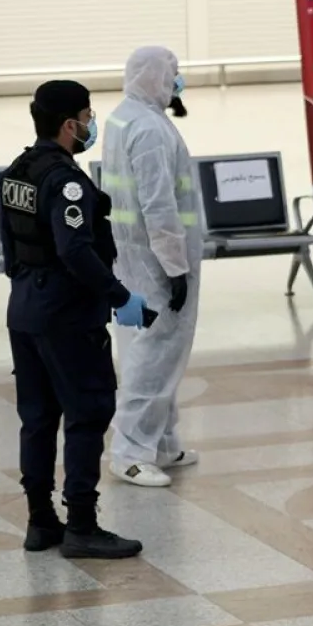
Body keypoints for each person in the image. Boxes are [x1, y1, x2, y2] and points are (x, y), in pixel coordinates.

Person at [0, 80, 147, 559]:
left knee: (37, 419)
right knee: (87, 414)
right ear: (69, 124)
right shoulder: (65, 180)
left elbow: (12, 247)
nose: (90, 124)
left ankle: (41, 522)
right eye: (87, 115)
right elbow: (75, 248)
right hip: (64, 316)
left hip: (24, 309)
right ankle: (82, 524)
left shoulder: (17, 172)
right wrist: (119, 295)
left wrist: (27, 290)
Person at [103, 47, 203, 488]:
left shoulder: (123, 116)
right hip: (155, 263)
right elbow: (158, 205)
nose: (177, 81)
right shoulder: (148, 129)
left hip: (129, 258)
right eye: (174, 73)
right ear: (156, 76)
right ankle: (129, 453)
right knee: (152, 354)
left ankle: (162, 443)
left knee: (149, 352)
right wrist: (175, 267)